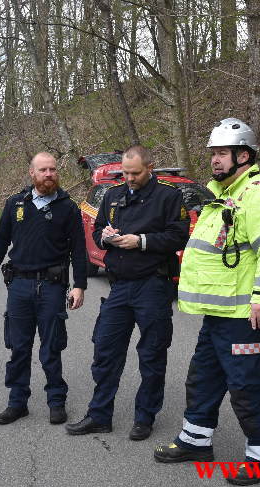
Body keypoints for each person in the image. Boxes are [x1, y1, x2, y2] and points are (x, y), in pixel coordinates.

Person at [153, 118, 260, 486]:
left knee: (247, 385)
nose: (215, 160)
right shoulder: (223, 195)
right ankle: (196, 441)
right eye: (213, 153)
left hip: (246, 314)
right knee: (203, 378)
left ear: (243, 155)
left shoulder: (259, 193)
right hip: (219, 313)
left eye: (222, 153)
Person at [65, 145, 189, 441]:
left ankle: (144, 418)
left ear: (150, 167)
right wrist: (105, 237)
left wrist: (141, 241)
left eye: (135, 173)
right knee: (105, 351)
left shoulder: (169, 196)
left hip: (153, 286)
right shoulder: (112, 195)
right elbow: (96, 231)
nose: (130, 178)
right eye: (126, 173)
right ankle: (99, 415)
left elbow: (179, 234)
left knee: (152, 354)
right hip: (119, 285)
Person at [0, 152, 87, 426]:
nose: (49, 174)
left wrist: (80, 286)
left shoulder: (68, 207)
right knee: (19, 347)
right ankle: (17, 403)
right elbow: (1, 240)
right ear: (32, 173)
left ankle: (56, 401)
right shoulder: (15, 203)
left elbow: (79, 250)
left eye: (53, 169)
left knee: (51, 347)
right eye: (43, 170)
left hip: (52, 287)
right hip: (19, 286)